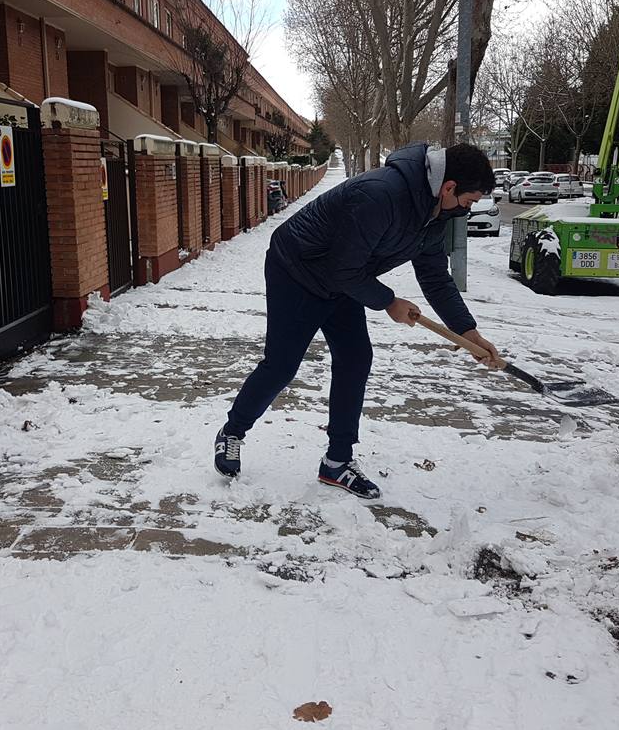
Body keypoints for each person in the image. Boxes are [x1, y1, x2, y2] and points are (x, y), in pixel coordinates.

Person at [214, 142, 501, 499]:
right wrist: (389, 302)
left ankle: (337, 462)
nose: (466, 211)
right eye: (468, 202)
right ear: (449, 187)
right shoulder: (381, 195)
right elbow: (342, 269)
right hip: (297, 271)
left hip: (344, 280)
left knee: (355, 358)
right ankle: (232, 432)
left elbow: (436, 279)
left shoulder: (435, 216)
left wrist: (468, 333)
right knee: (282, 365)